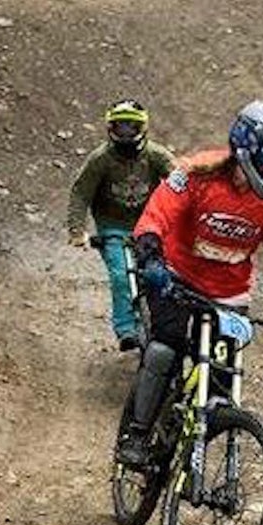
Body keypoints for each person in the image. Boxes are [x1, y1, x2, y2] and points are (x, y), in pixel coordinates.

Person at [116, 100, 263, 467]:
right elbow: (155, 217)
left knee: (222, 381)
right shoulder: (196, 173)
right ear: (246, 145)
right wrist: (152, 258)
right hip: (176, 279)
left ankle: (196, 450)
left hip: (228, 295)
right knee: (165, 349)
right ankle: (138, 434)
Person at [67, 100, 176, 351]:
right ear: (110, 128)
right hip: (112, 227)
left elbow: (180, 184)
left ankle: (163, 326)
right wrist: (77, 230)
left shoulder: (156, 156)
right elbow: (81, 192)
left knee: (160, 274)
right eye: (120, 127)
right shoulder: (100, 160)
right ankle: (126, 328)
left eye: (132, 127)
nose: (126, 133)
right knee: (120, 275)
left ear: (143, 128)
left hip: (150, 226)